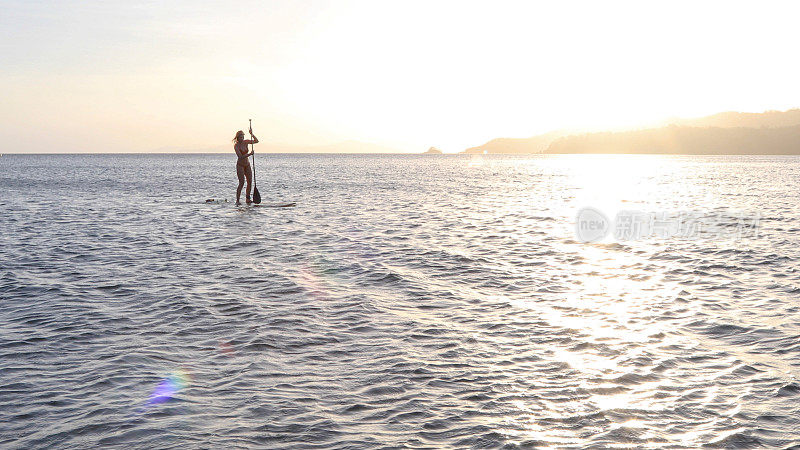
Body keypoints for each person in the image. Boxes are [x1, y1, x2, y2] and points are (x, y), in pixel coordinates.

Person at [232, 129, 258, 205]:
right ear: (237, 138)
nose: (242, 139)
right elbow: (240, 157)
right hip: (240, 165)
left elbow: (256, 141)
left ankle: (247, 199)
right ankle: (237, 200)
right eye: (240, 137)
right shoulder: (236, 146)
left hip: (247, 165)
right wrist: (250, 154)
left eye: (242, 137)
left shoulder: (246, 142)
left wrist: (252, 134)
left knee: (250, 181)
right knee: (242, 183)